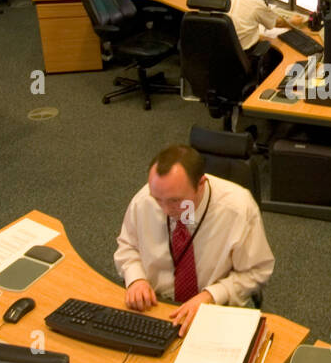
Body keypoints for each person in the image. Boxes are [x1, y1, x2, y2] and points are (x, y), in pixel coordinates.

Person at [114, 144, 274, 336]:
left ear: (201, 184)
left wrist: (211, 296)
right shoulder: (145, 199)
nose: (165, 209)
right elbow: (128, 246)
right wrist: (136, 279)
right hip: (155, 307)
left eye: (175, 201)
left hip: (213, 311)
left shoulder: (238, 209)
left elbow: (257, 271)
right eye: (158, 199)